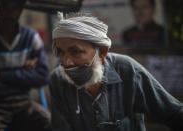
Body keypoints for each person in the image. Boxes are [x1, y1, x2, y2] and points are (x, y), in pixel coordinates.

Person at [49, 13, 183, 131]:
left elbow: (173, 114)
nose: (66, 62)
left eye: (76, 52)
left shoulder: (128, 71)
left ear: (101, 52)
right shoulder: (58, 81)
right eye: (60, 52)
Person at [0, 0, 52, 131]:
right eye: (5, 8)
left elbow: (43, 76)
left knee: (51, 122)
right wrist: (22, 76)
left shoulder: (31, 38)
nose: (10, 14)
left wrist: (1, 76)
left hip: (23, 103)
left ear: (20, 11)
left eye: (15, 8)